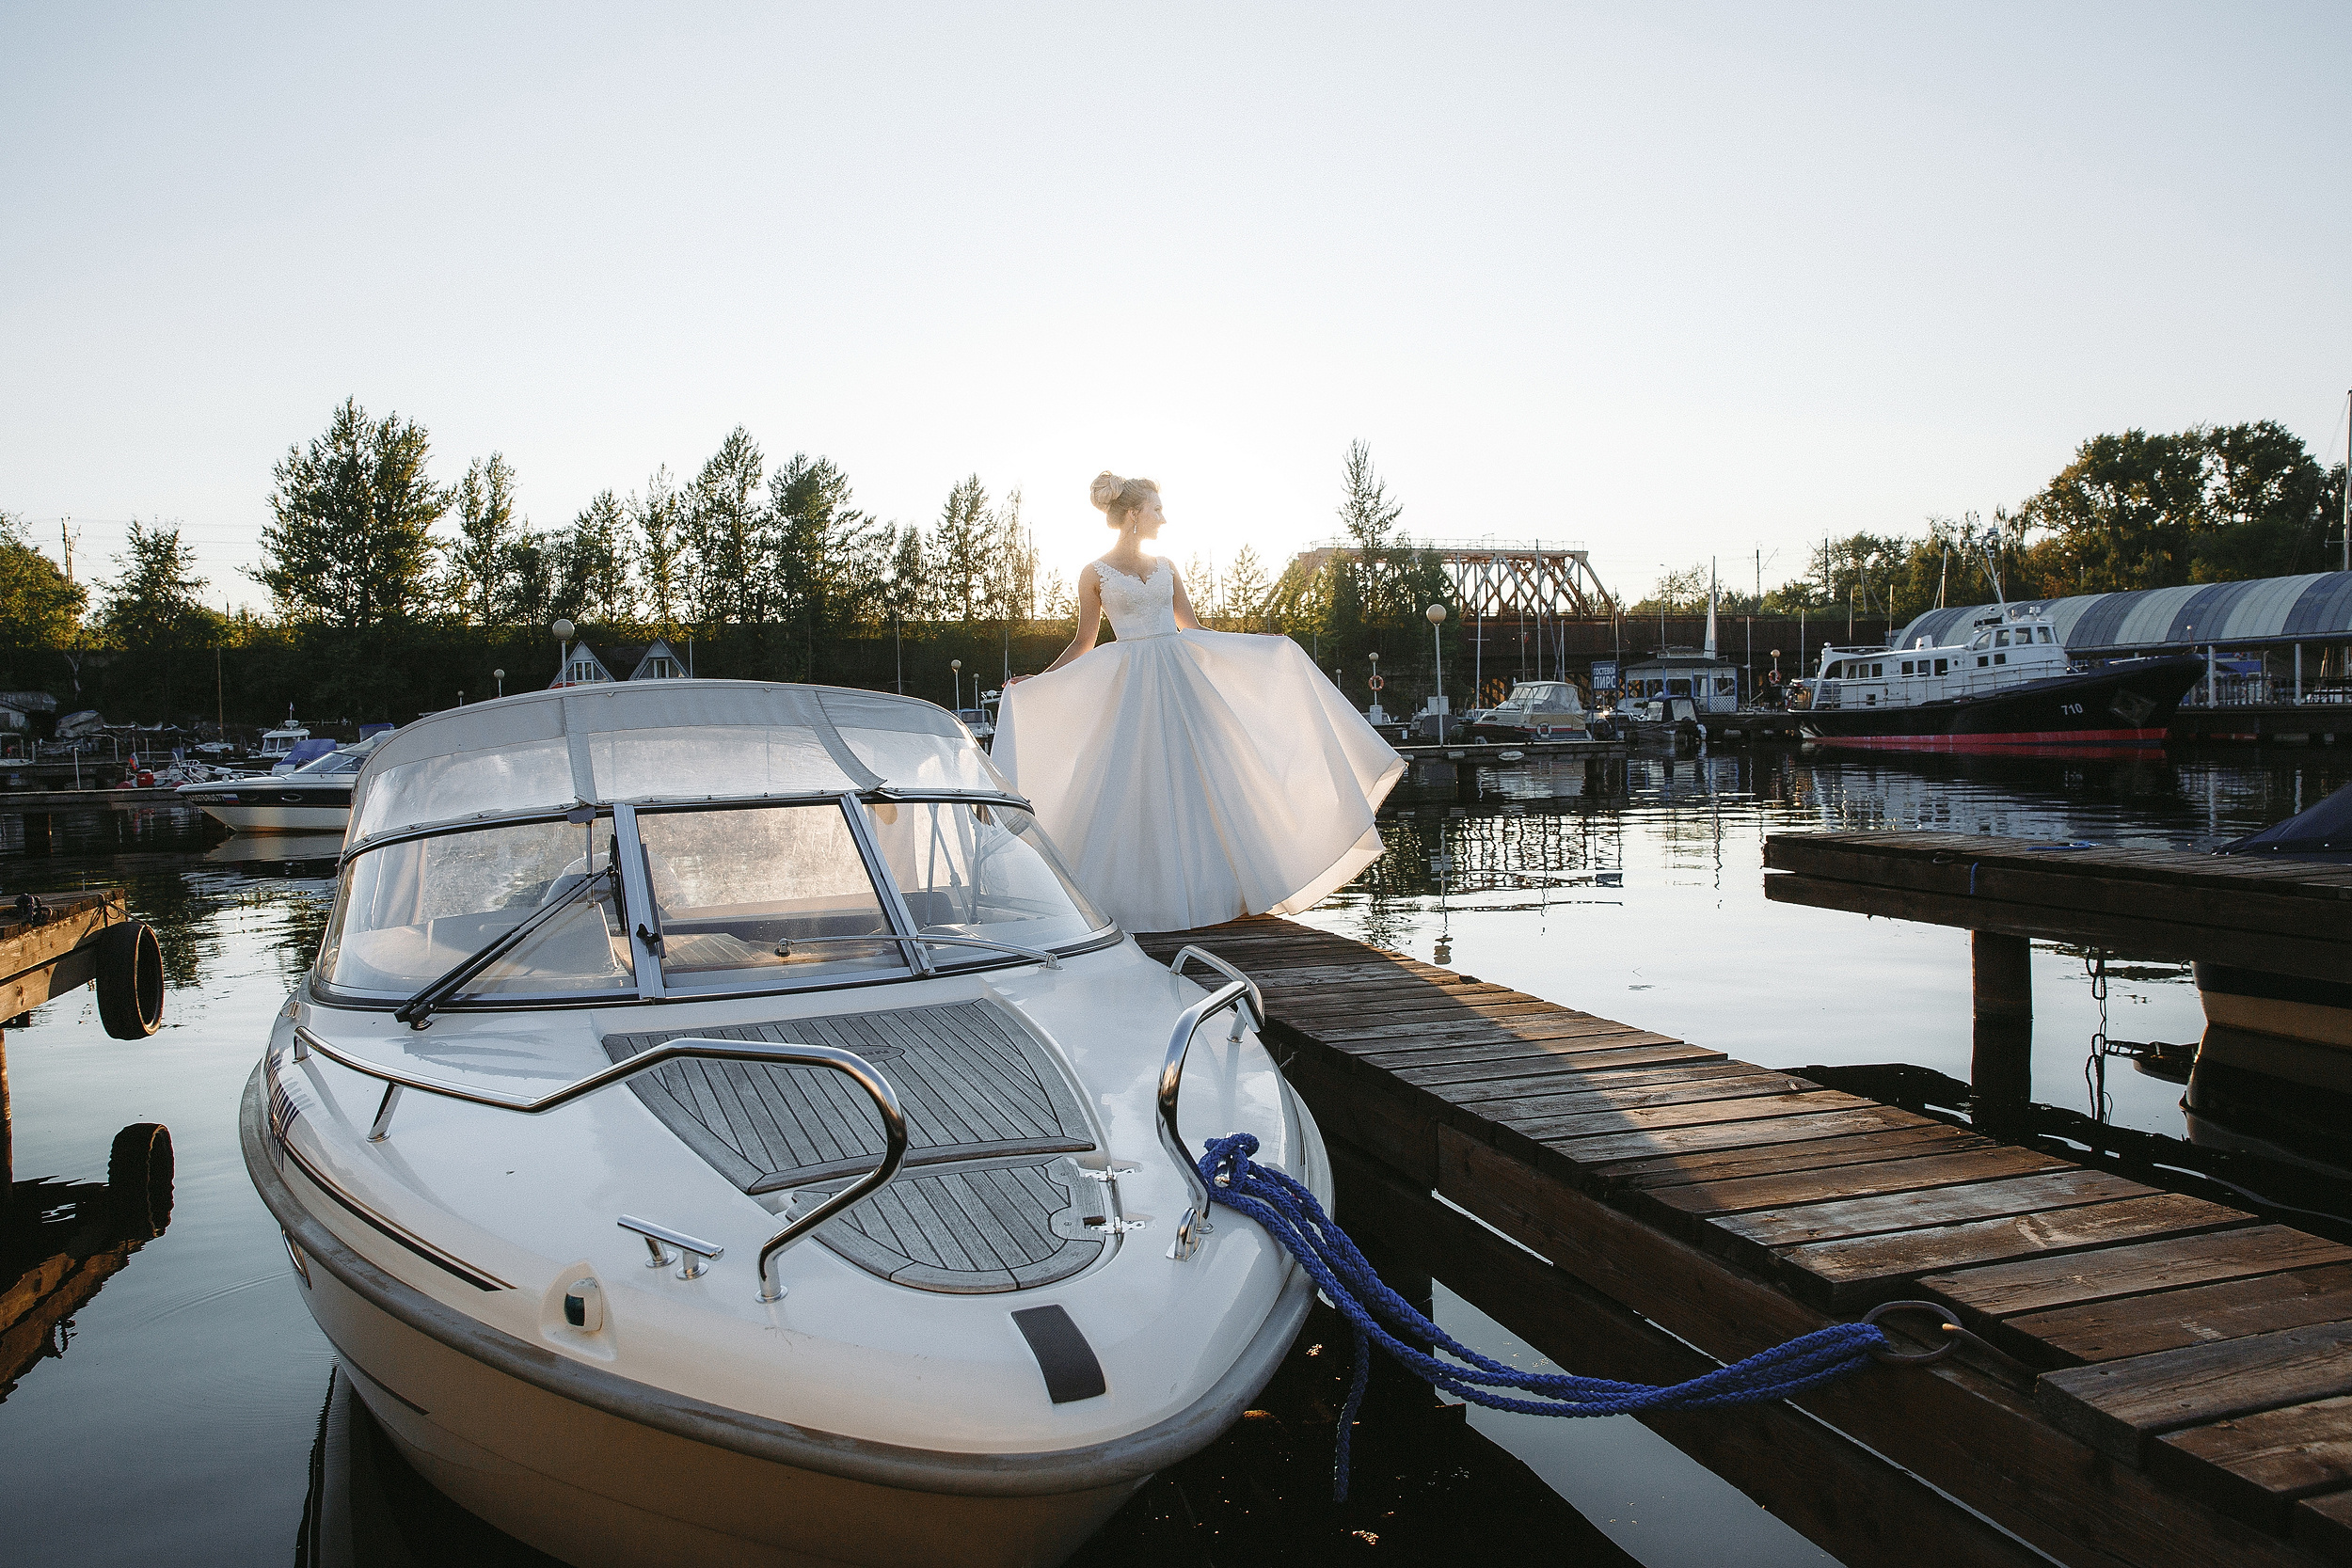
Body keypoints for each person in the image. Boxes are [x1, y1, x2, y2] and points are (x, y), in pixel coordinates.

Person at [992, 471, 1405, 932]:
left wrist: (1257, 645)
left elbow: (1192, 626)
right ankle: (1137, 899)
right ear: (1134, 514)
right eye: (1156, 509)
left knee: (1207, 779)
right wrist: (1039, 680)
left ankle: (1219, 892)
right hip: (1130, 688)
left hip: (1180, 681)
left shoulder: (1166, 565)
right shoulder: (1094, 573)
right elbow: (1084, 640)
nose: (1163, 518)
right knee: (1130, 783)